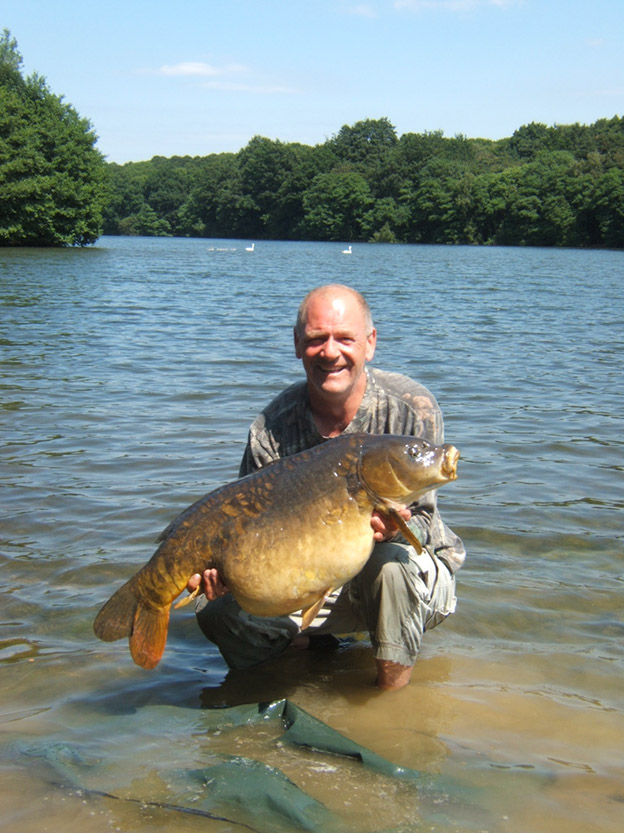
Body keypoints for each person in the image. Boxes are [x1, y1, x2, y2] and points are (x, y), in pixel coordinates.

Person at [187, 284, 464, 690]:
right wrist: (228, 576)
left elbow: (424, 520)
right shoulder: (270, 429)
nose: (330, 352)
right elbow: (246, 528)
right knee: (218, 611)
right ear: (298, 345)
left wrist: (397, 529)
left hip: (409, 576)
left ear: (370, 343)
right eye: (317, 339)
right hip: (310, 579)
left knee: (389, 562)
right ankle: (286, 683)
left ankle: (392, 702)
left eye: (344, 338)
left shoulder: (411, 408)